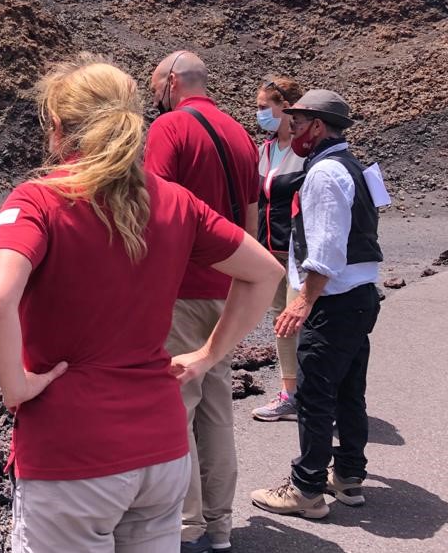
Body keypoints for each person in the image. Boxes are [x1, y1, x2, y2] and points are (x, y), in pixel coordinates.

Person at [0, 54, 283, 553]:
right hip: (161, 454)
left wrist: (17, 385)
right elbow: (265, 271)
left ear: (57, 127)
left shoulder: (39, 199)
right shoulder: (176, 202)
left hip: (71, 451)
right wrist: (207, 356)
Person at [143, 50, 261, 553]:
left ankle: (186, 528)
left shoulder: (169, 129)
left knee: (177, 407)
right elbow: (252, 219)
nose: (154, 99)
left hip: (183, 290)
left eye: (154, 89)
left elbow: (155, 207)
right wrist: (241, 279)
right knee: (216, 409)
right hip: (227, 289)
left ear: (172, 82)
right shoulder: (240, 134)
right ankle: (221, 525)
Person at [251, 90, 383, 518]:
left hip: (336, 299)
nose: (292, 129)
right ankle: (348, 477)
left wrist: (302, 300)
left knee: (314, 395)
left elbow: (326, 247)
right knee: (349, 390)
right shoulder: (353, 166)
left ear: (317, 127)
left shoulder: (325, 173)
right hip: (360, 297)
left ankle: (306, 489)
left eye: (298, 122)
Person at [250, 77, 307, 422]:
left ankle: (315, 392)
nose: (258, 114)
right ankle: (291, 394)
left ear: (285, 108)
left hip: (298, 253)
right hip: (269, 253)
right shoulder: (265, 150)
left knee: (300, 323)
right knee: (279, 323)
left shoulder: (306, 152)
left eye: (262, 107)